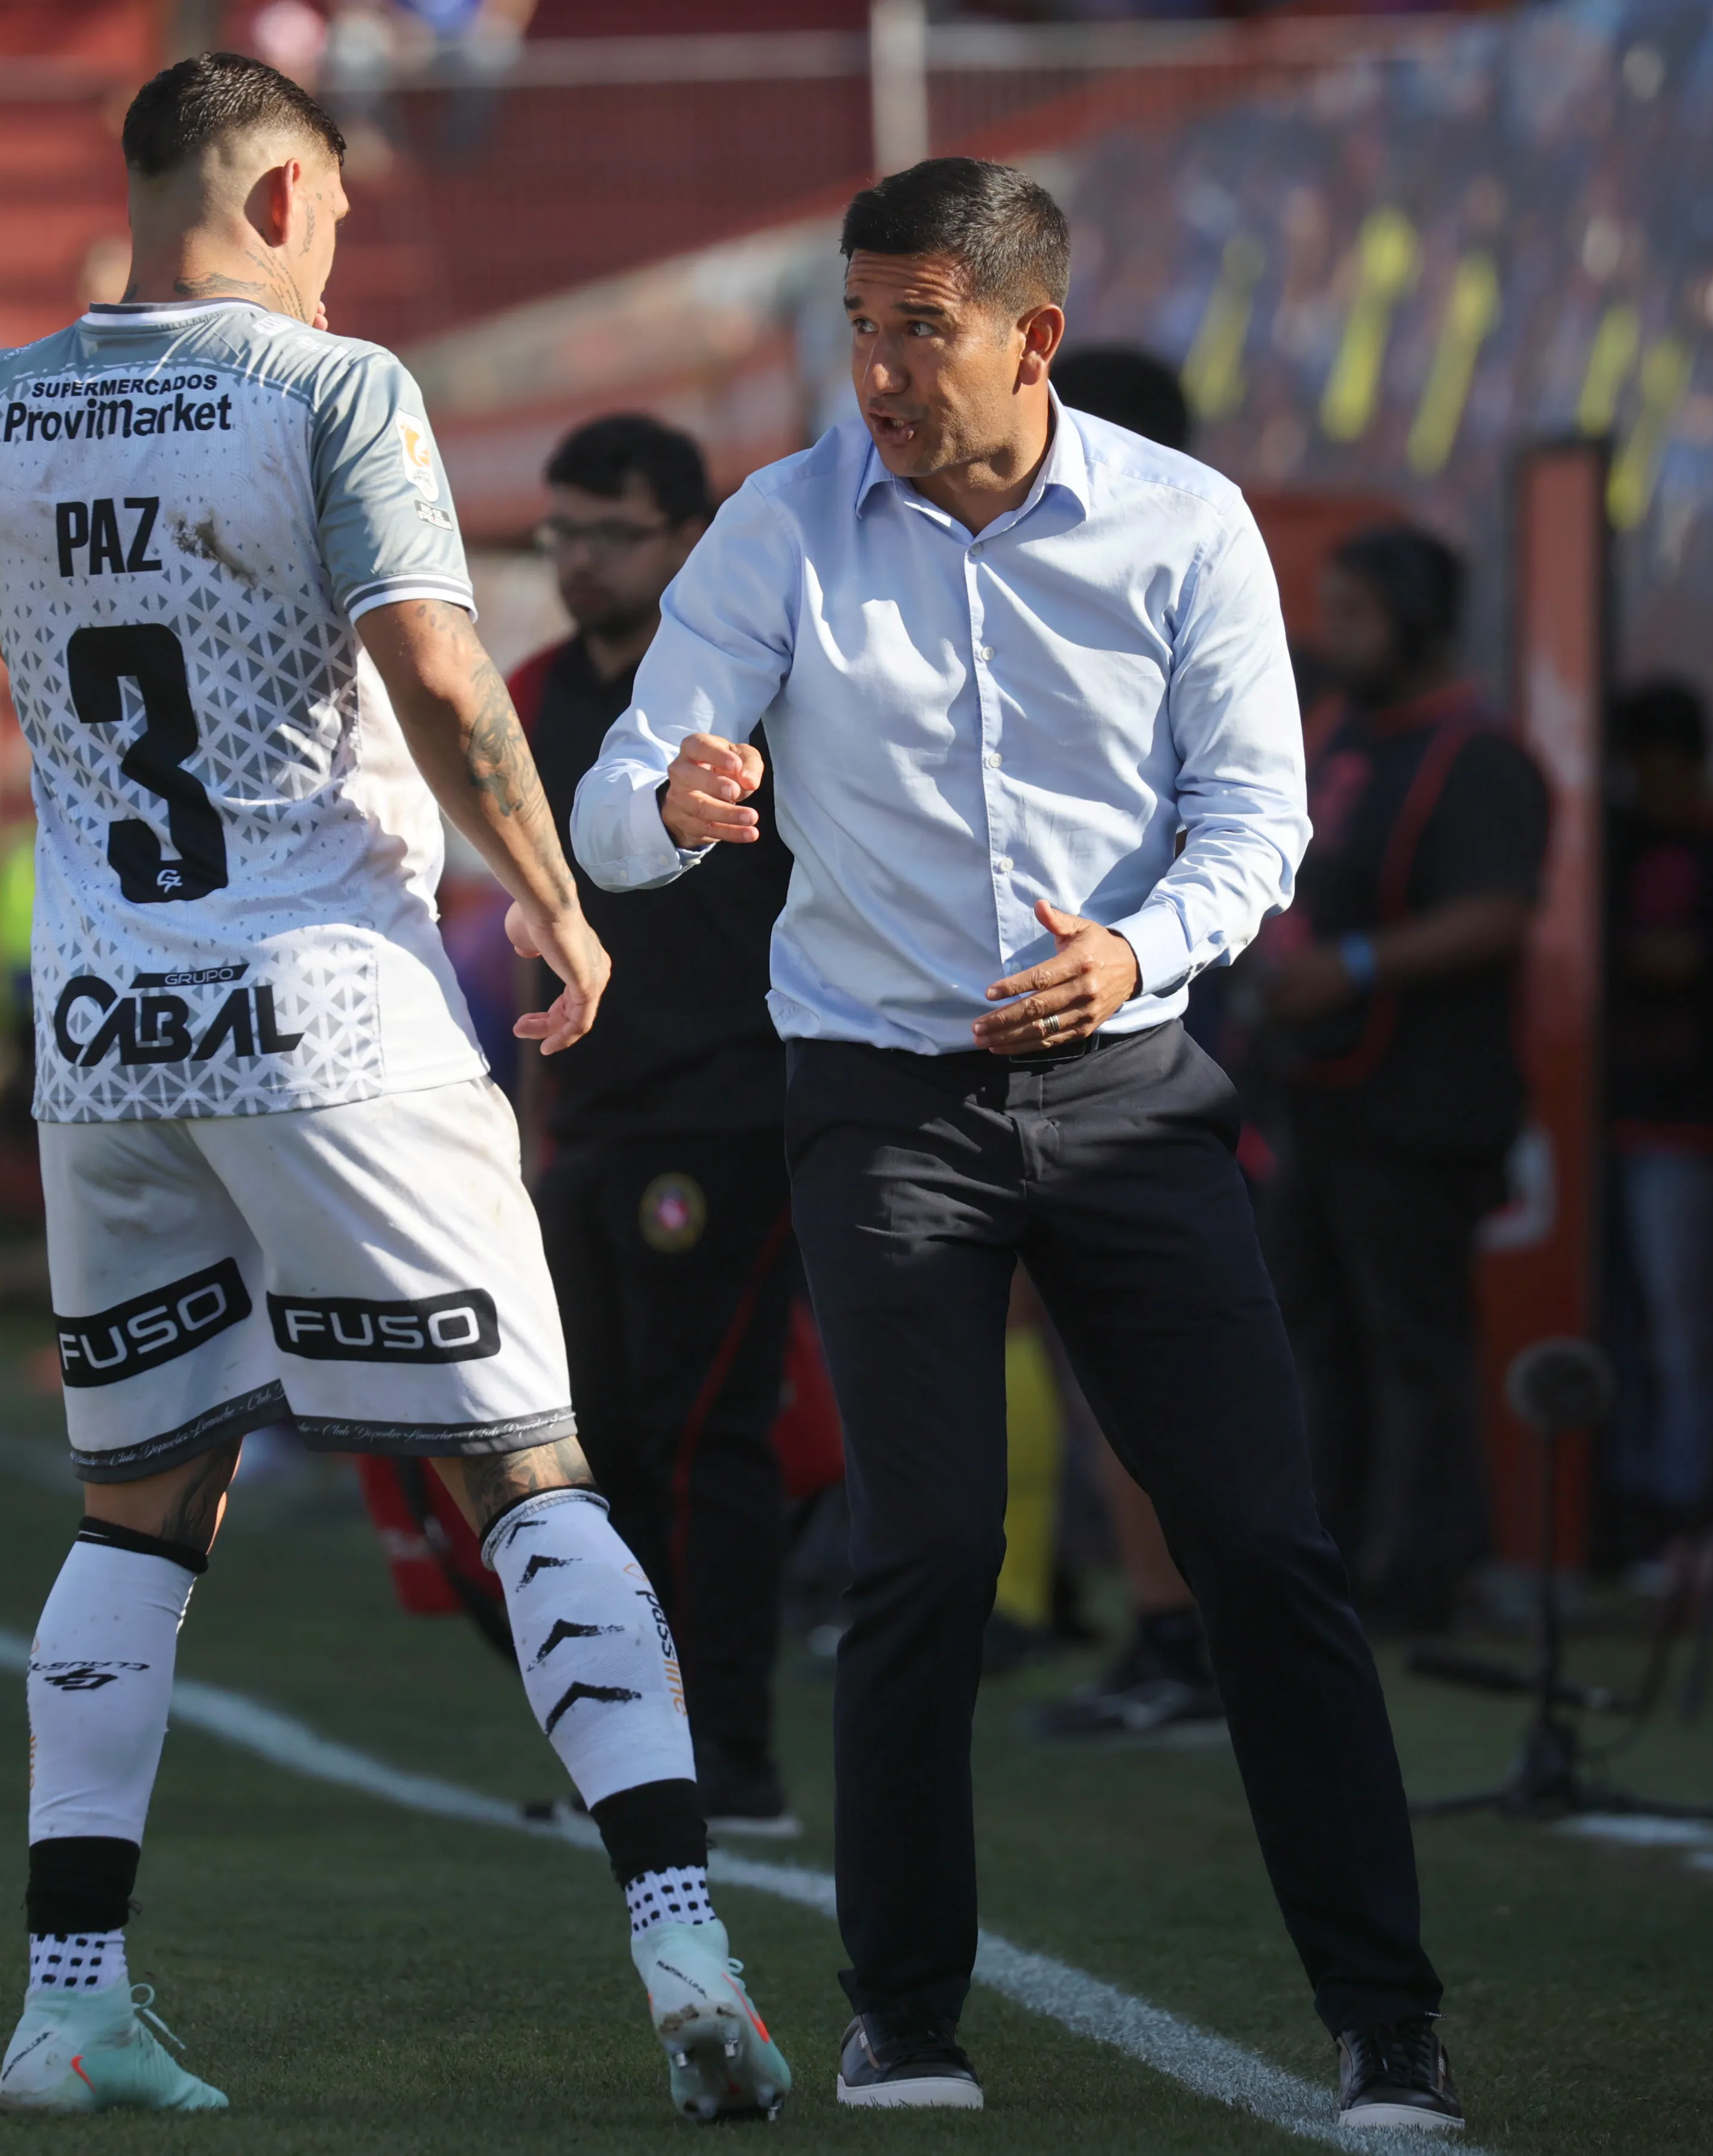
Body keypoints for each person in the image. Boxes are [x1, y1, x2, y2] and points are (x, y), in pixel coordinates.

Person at [0, 54, 790, 2120]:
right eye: (337, 210)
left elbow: (46, 678)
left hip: (111, 1029)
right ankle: (689, 1952)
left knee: (137, 1516)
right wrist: (556, 901)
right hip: (328, 1014)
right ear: (291, 189)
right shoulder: (331, 389)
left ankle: (68, 2000)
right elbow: (426, 668)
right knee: (532, 1477)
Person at [575, 157, 1458, 2129]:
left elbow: (1256, 827)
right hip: (881, 1100)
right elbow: (612, 805)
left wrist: (1133, 950)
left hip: (1133, 1090)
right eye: (856, 324)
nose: (875, 370)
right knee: (925, 1549)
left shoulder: (1187, 526)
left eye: (921, 327)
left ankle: (1385, 2020)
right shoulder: (778, 527)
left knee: (1260, 1543)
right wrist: (686, 801)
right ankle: (902, 2017)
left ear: (1029, 335)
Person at [511, 411, 805, 1835]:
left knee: (703, 1437)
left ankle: (730, 1761)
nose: (575, 562)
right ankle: (633, 1757)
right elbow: (524, 926)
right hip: (592, 1119)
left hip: (737, 1115)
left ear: (689, 536)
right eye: (559, 534)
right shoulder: (530, 693)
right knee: (597, 1445)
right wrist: (521, 1120)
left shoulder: (745, 697)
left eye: (607, 533)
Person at [1243, 522, 1547, 1636]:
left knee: (1412, 1340)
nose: (1336, 638)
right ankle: (1333, 1556)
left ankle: (1425, 1565)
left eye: (1358, 615)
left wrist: (1357, 964)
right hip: (1321, 1097)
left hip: (1422, 1102)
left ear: (1419, 623)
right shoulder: (1338, 736)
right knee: (1314, 1338)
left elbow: (1500, 910)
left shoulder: (1480, 755)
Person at [1027, 342, 1222, 1741]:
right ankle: (1170, 1629)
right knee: (1114, 1363)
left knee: (1146, 1361)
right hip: (1111, 1037)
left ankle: (1188, 1637)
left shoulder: (1176, 591)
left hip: (1151, 1048)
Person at [1598, 676, 1713, 1561]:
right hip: (1614, 1116)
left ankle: (1696, 1514)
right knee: (1623, 1328)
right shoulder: (1619, 841)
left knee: (1687, 1333)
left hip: (1697, 1118)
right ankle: (1634, 1505)